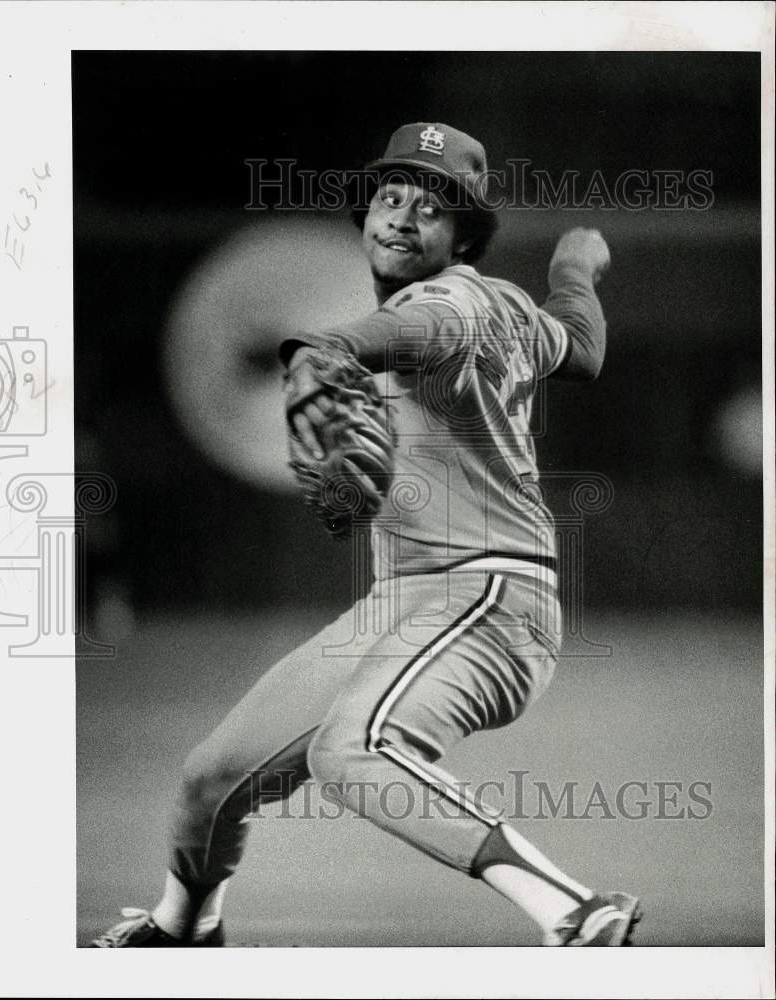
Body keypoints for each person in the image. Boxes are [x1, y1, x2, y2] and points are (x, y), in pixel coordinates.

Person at [91, 122, 640, 948]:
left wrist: (334, 347)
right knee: (212, 777)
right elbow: (584, 346)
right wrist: (574, 266)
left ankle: (571, 907)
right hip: (410, 602)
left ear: (463, 237)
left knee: (352, 751)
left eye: (430, 208)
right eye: (389, 198)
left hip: (487, 598)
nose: (399, 218)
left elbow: (405, 336)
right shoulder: (516, 310)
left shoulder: (446, 303)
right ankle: (183, 927)